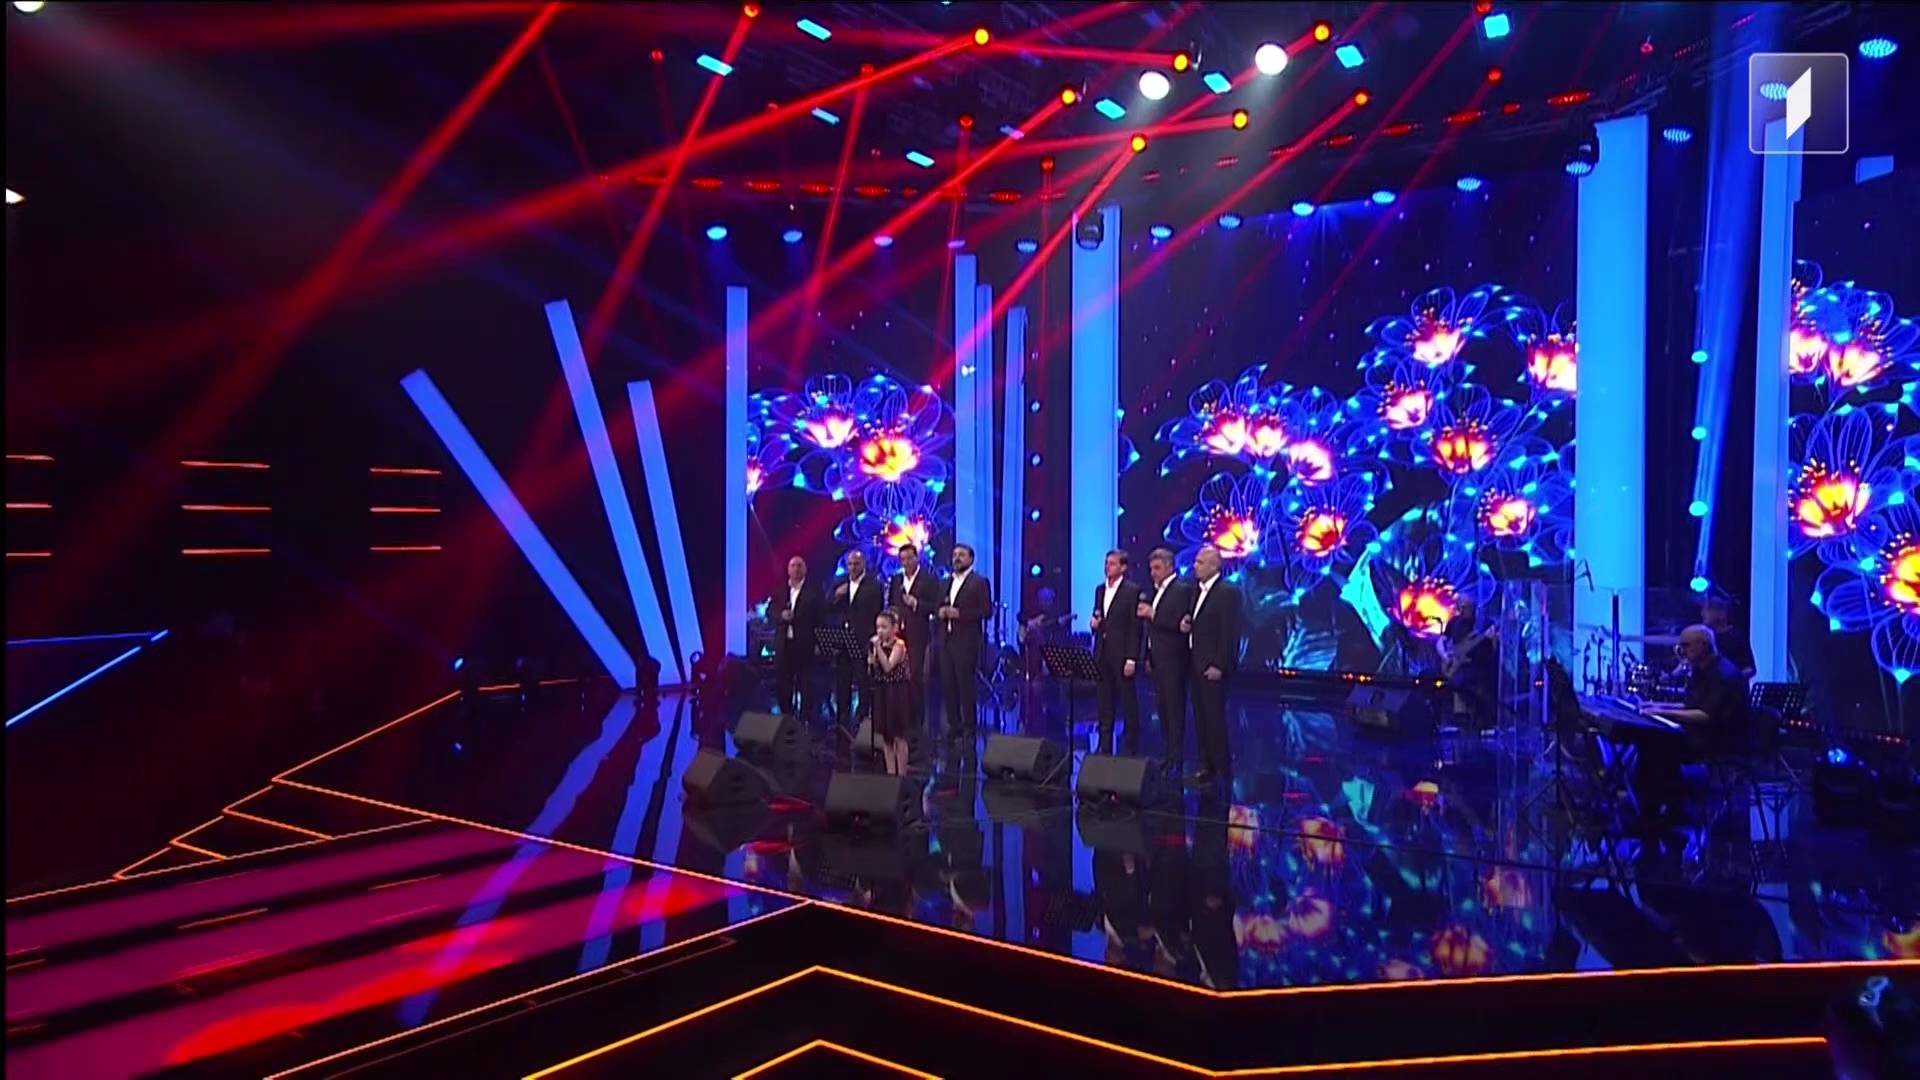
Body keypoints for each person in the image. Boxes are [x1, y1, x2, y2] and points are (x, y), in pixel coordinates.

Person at [1634, 623, 1752, 823]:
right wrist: (1658, 706)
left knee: (1657, 746)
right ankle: (1663, 808)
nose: (1681, 651)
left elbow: (1706, 715)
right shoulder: (1702, 669)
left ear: (1703, 645)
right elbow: (1693, 706)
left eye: (1686, 645)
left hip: (1719, 739)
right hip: (1704, 732)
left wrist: (1664, 713)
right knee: (1653, 742)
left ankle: (1659, 812)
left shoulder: (1722, 674)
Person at [1181, 546, 1241, 789]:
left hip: (1213, 667)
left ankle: (1221, 770)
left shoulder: (1227, 592)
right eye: (1196, 561)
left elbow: (1229, 632)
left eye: (1200, 562)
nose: (1195, 566)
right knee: (1201, 718)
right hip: (1196, 664)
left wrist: (1220, 664)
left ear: (1215, 566)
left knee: (1215, 720)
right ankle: (1205, 767)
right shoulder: (1197, 590)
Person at [1138, 547, 1194, 777]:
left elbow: (1179, 624)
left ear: (1170, 567)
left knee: (1174, 710)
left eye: (1157, 568)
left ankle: (1176, 758)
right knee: (1162, 709)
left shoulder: (1181, 589)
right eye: (1151, 569)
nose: (1153, 573)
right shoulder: (1156, 591)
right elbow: (1153, 629)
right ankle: (1168, 756)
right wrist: (1148, 655)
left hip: (1174, 660)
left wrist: (1153, 614)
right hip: (1158, 659)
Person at [936, 543, 992, 748]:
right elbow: (937, 606)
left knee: (965, 685)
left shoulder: (979, 582)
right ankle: (954, 726)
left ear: (971, 559)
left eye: (961, 555)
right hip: (946, 640)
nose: (956, 558)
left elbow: (986, 611)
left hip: (967, 641)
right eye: (954, 555)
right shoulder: (945, 582)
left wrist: (960, 614)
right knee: (948, 684)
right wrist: (940, 612)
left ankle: (969, 728)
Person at [1089, 549, 1144, 754]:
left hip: (1122, 654)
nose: (1107, 567)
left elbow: (1135, 628)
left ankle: (1130, 746)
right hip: (1102, 653)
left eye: (1112, 563)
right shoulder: (1100, 590)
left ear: (1123, 567)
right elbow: (1099, 616)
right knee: (1104, 701)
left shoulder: (1132, 591)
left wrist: (1132, 658)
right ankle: (1104, 745)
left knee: (1128, 701)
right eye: (1106, 563)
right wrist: (1094, 624)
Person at [887, 541, 941, 729]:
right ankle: (900, 716)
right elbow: (891, 605)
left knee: (914, 676)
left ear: (917, 558)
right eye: (903, 559)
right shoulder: (896, 580)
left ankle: (917, 720)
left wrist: (916, 603)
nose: (906, 562)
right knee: (897, 675)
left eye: (910, 558)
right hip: (898, 635)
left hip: (918, 634)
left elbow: (935, 606)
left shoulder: (929, 580)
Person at [830, 549, 885, 728]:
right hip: (843, 641)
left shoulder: (873, 586)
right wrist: (837, 595)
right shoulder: (840, 583)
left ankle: (862, 719)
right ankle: (842, 720)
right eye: (850, 564)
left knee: (863, 681)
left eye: (856, 564)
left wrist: (873, 644)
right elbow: (827, 606)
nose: (853, 567)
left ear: (864, 565)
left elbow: (876, 613)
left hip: (862, 641)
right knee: (842, 681)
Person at [770, 555, 825, 721]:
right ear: (788, 570)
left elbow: (821, 618)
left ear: (805, 569)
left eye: (799, 566)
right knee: (783, 683)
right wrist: (781, 615)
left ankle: (805, 720)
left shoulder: (814, 592)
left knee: (806, 684)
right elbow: (770, 612)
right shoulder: (780, 590)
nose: (796, 569)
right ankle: (786, 716)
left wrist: (818, 643)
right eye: (793, 566)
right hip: (784, 645)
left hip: (804, 645)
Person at [1437, 596, 1497, 733]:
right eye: (1462, 607)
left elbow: (1494, 649)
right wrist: (1445, 655)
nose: (1464, 610)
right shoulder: (1453, 622)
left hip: (1478, 665)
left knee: (1461, 681)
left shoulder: (1483, 623)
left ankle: (1473, 719)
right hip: (1457, 664)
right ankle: (1452, 721)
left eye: (1467, 607)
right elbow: (1440, 641)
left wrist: (1492, 639)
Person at [866, 609, 913, 776]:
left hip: (897, 693)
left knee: (898, 736)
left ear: (894, 628)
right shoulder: (877, 647)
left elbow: (888, 667)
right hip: (882, 692)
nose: (880, 631)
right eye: (878, 627)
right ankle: (890, 774)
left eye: (884, 627)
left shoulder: (899, 646)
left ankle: (902, 775)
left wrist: (878, 648)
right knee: (886, 737)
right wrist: (871, 660)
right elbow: (873, 670)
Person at [1701, 593, 1756, 678]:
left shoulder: (1737, 637)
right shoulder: (1704, 637)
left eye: (1707, 610)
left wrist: (1733, 679)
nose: (1702, 614)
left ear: (1720, 613)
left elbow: (1750, 668)